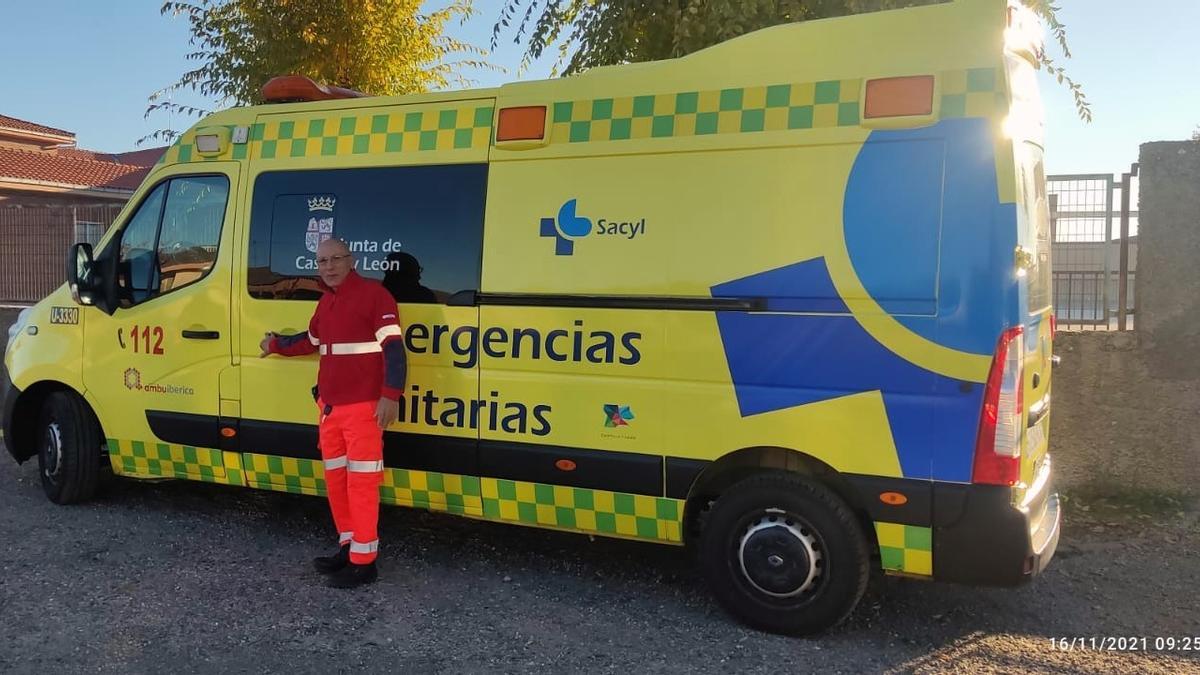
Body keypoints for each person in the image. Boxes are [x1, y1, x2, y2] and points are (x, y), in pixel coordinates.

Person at [260, 238, 406, 588]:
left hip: (364, 412)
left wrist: (391, 395)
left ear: (350, 260)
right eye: (322, 260)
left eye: (336, 259)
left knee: (362, 485)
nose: (329, 266)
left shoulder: (375, 296)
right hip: (330, 410)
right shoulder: (326, 303)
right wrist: (275, 344)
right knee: (337, 483)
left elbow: (395, 350)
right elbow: (308, 341)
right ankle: (348, 545)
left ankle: (364, 561)